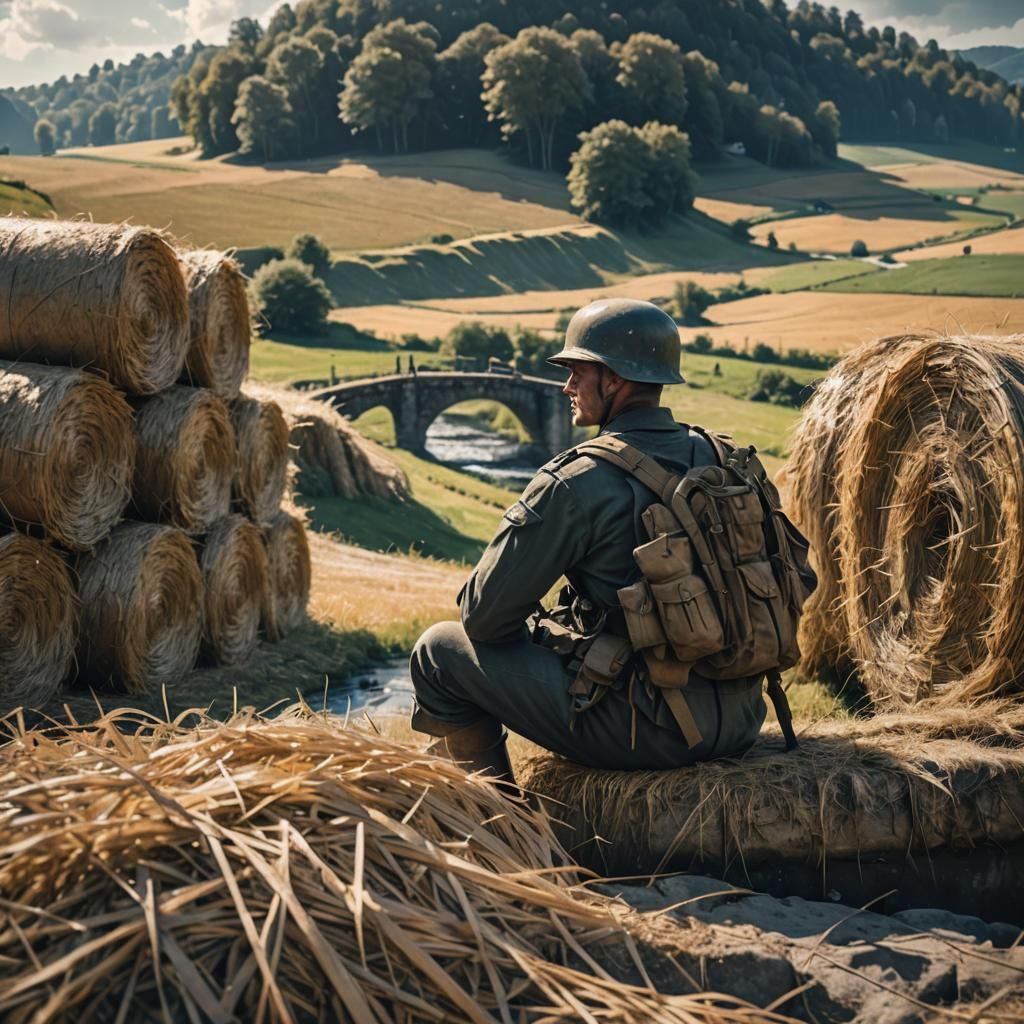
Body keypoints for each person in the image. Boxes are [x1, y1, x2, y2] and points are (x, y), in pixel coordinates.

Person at [409, 298, 767, 784]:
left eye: (577, 372)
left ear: (614, 379)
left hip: (651, 731)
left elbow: (483, 617)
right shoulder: (724, 458)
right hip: (745, 717)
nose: (566, 386)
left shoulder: (579, 479)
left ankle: (499, 832)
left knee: (438, 652)